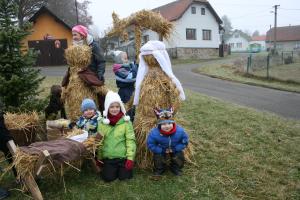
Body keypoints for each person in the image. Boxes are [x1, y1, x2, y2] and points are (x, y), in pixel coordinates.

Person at [97, 91, 136, 182]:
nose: (115, 109)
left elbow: (130, 140)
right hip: (109, 157)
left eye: (117, 107)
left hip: (123, 157)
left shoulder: (126, 122)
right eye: (112, 107)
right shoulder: (102, 123)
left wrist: (130, 158)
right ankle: (110, 169)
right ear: (107, 108)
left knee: (124, 177)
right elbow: (100, 141)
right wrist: (99, 158)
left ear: (121, 107)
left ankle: (123, 169)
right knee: (108, 178)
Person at [147, 107, 189, 177]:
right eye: (163, 124)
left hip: (174, 148)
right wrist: (160, 149)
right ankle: (159, 169)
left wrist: (176, 148)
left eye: (169, 123)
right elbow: (150, 144)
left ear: (173, 123)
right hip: (162, 148)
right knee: (158, 156)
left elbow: (184, 141)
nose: (167, 126)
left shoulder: (180, 131)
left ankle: (176, 168)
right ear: (159, 125)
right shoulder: (154, 133)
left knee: (179, 155)